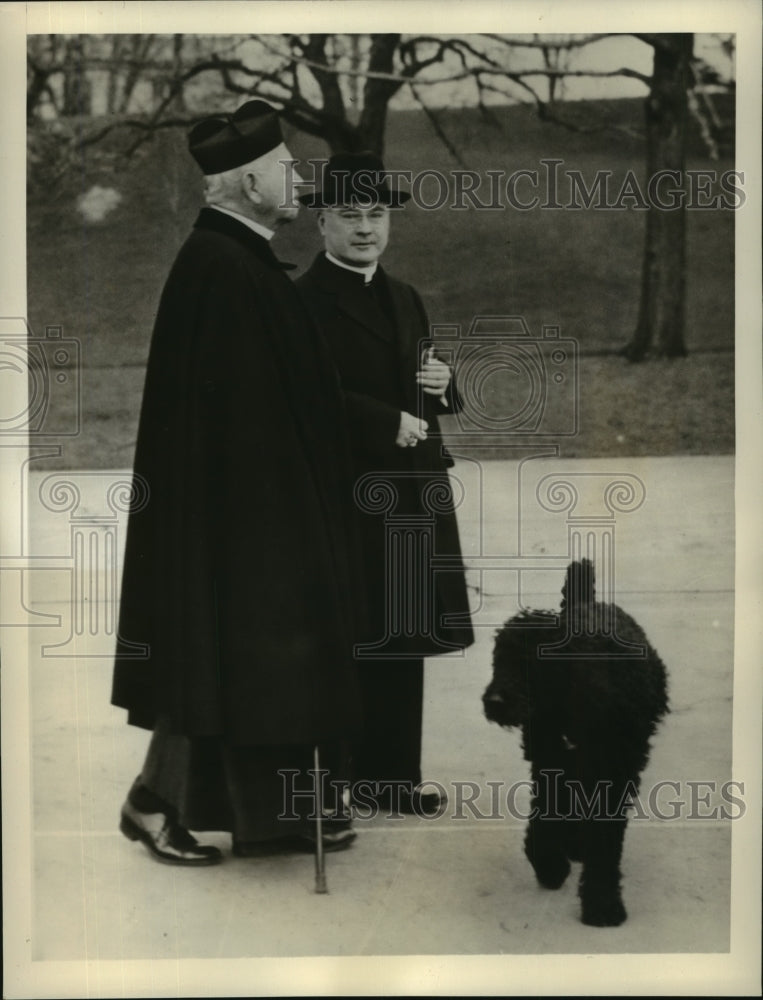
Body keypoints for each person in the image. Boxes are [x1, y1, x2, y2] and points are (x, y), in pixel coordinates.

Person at [111, 102, 363, 864]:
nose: (297, 179)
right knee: (222, 664)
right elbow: (241, 425)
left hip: (257, 516)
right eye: (284, 168)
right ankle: (154, 804)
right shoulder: (222, 268)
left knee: (238, 665)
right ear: (250, 183)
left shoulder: (234, 260)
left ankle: (256, 813)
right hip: (246, 523)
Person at [296, 152, 474, 816]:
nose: (364, 228)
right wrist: (379, 420)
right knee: (350, 638)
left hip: (412, 490)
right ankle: (334, 782)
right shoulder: (302, 301)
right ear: (321, 223)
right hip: (347, 496)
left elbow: (427, 385)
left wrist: (443, 386)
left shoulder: (404, 296)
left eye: (375, 214)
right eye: (349, 214)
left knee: (403, 635)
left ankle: (391, 778)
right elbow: (301, 397)